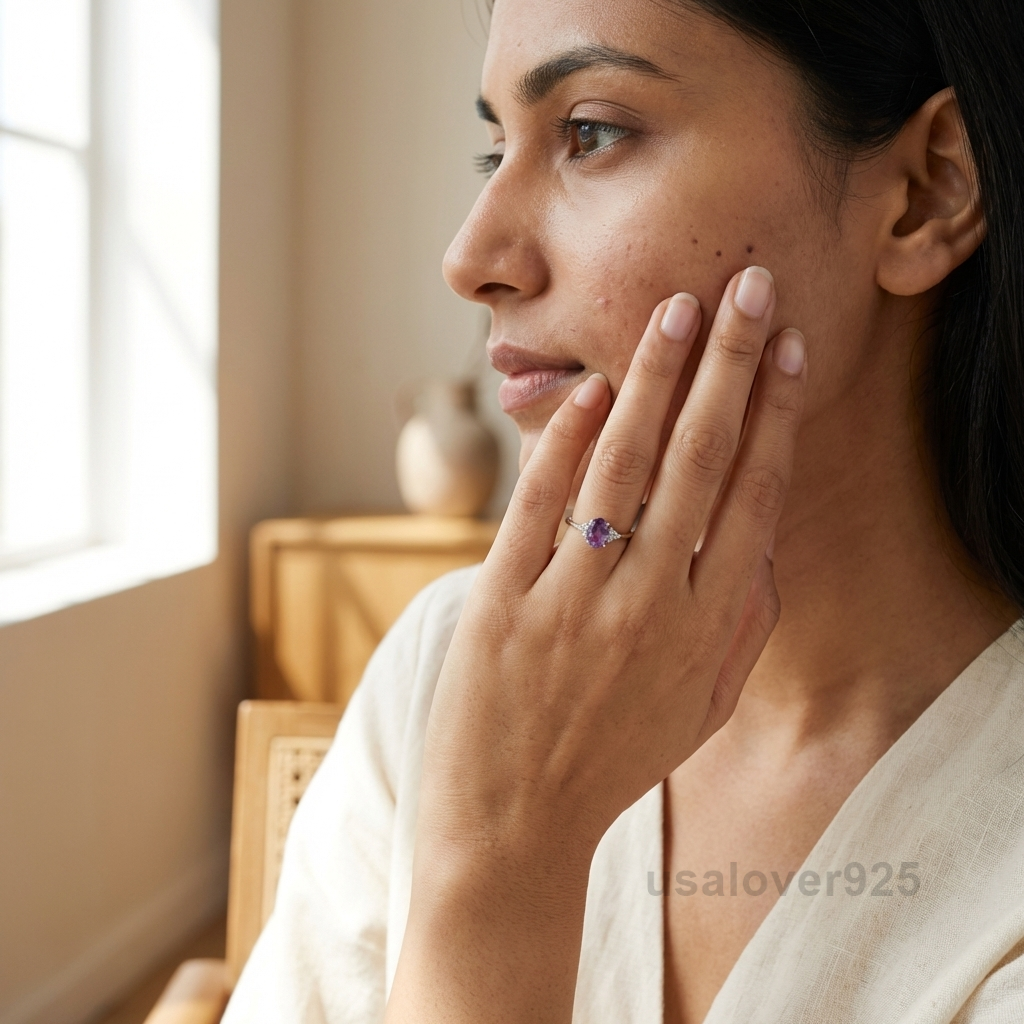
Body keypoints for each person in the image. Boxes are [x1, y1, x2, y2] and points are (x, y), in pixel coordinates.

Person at [221, 0, 1024, 1021]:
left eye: (590, 132)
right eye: (493, 150)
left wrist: (503, 882)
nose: (471, 258)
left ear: (925, 192)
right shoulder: (449, 666)